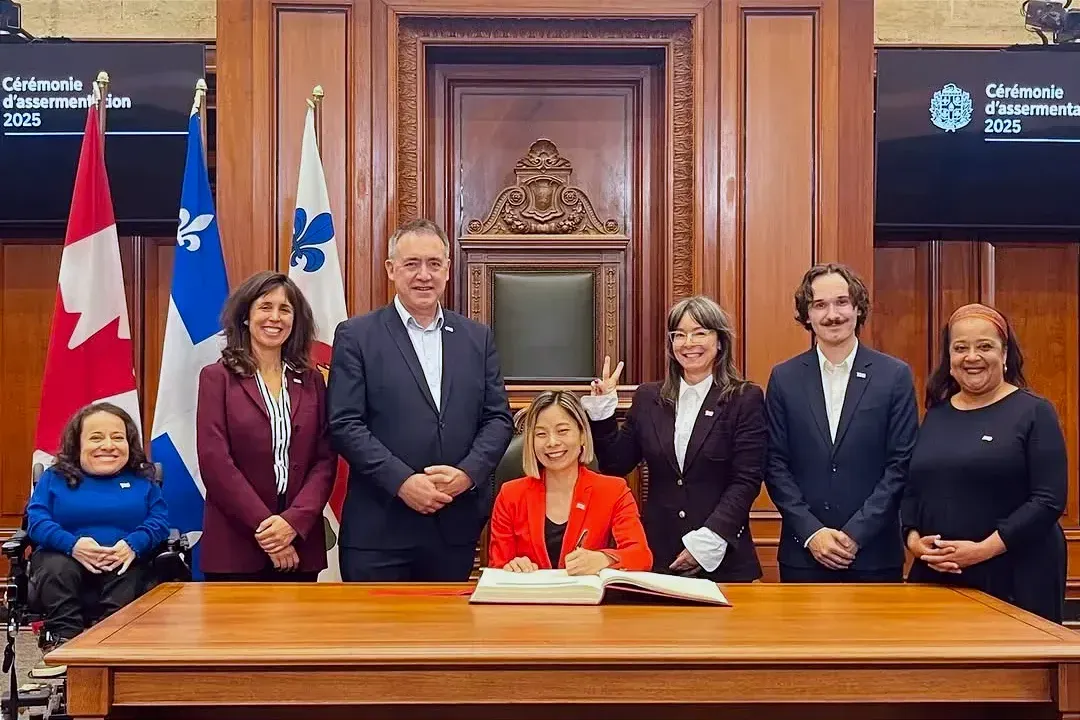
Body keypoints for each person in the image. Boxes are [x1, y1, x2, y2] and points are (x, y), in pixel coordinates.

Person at [328, 218, 513, 582]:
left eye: (433, 263)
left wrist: (467, 474)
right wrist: (401, 481)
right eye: (412, 264)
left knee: (446, 639)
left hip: (454, 526)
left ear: (447, 269)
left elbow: (498, 418)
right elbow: (344, 423)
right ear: (391, 269)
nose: (423, 275)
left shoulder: (476, 337)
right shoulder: (357, 336)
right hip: (379, 530)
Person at [581, 295, 766, 582]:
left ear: (719, 342)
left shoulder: (744, 398)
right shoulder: (649, 397)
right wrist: (603, 411)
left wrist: (707, 541)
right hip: (660, 556)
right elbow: (617, 464)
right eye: (679, 335)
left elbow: (746, 481)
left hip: (723, 557)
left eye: (700, 333)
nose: (688, 343)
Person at [902, 303, 1067, 623]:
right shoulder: (936, 415)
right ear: (949, 360)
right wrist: (914, 542)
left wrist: (982, 550)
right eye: (960, 348)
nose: (972, 357)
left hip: (1017, 578)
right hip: (940, 577)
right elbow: (912, 489)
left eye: (985, 346)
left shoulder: (1034, 412)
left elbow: (1048, 500)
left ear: (1005, 355)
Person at [764, 262, 917, 583]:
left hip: (873, 554)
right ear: (807, 315)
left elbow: (900, 464)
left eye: (841, 302)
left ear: (858, 308)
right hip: (803, 554)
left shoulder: (894, 376)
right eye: (819, 305)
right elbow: (775, 464)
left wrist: (856, 534)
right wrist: (812, 532)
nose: (832, 314)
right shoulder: (784, 378)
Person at [196, 271, 336, 581]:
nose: (275, 317)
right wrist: (267, 529)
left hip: (300, 543)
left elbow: (324, 461)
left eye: (285, 309)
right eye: (265, 306)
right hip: (236, 545)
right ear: (246, 315)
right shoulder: (216, 378)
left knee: (299, 631)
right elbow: (215, 461)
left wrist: (292, 524)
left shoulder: (312, 381)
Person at [26, 402, 169, 677]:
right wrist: (73, 545)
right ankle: (63, 643)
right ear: (77, 444)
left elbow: (159, 522)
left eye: (118, 437)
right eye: (96, 437)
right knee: (57, 568)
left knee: (132, 572)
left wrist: (132, 545)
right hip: (65, 557)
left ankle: (110, 645)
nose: (108, 445)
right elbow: (37, 520)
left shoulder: (142, 479)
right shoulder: (54, 478)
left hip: (124, 559)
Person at [488, 391, 652, 574]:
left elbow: (641, 557)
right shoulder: (510, 495)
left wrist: (603, 559)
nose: (552, 442)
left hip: (588, 599)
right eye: (541, 434)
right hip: (529, 600)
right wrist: (511, 567)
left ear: (582, 435)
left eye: (562, 431)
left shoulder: (613, 490)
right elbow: (498, 567)